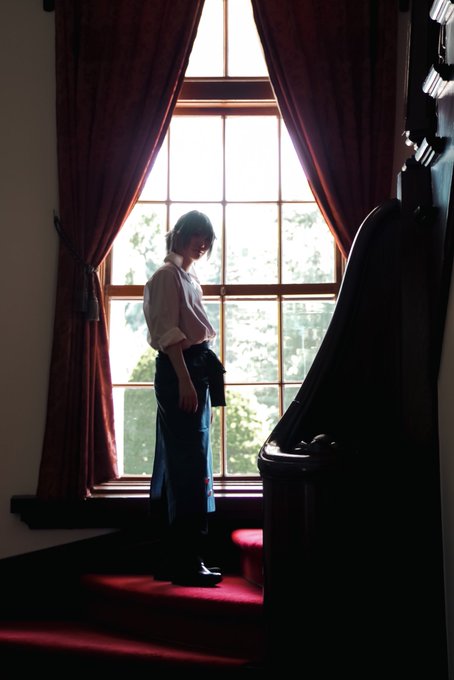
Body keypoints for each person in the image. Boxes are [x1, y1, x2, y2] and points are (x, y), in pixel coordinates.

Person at [143, 210, 226, 587]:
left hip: (194, 368)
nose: (202, 243)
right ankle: (185, 560)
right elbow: (167, 333)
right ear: (179, 234)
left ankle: (175, 557)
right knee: (186, 465)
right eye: (196, 235)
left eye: (207, 238)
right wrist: (185, 380)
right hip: (181, 369)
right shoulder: (166, 276)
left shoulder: (187, 276)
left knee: (185, 461)